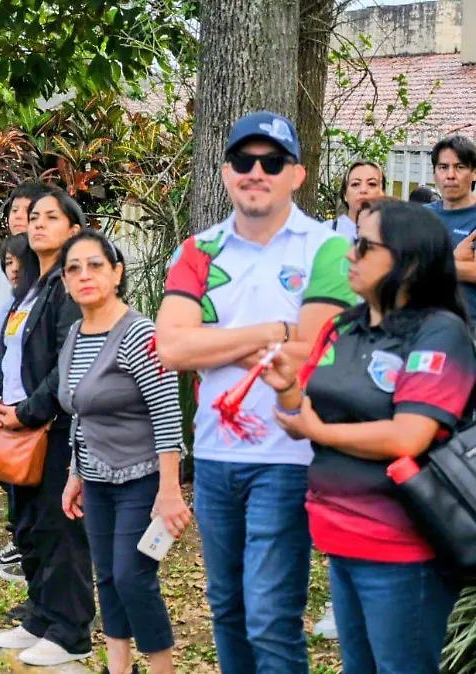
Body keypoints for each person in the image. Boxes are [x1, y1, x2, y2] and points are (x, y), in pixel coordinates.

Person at [155, 111, 355, 673]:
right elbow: (170, 348)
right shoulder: (198, 250)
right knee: (227, 609)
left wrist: (212, 341)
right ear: (225, 173)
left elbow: (315, 351)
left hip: (290, 455)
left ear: (296, 173)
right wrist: (273, 331)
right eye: (245, 160)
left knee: (270, 615)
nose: (257, 172)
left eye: (273, 161)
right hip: (215, 455)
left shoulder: (328, 249)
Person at [260, 199, 473, 674]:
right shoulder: (343, 327)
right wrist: (289, 391)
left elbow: (409, 435)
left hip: (404, 546)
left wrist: (317, 428)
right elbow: (307, 411)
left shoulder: (440, 334)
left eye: (364, 245)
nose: (350, 255)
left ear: (410, 261)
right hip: (340, 537)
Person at [56, 229, 188, 674]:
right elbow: (80, 412)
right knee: (107, 577)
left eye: (95, 265)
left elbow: (168, 413)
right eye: (74, 268)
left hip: (141, 477)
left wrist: (169, 490)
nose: (84, 275)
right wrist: (76, 473)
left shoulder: (138, 333)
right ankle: (118, 667)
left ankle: (161, 668)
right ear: (64, 281)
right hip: (95, 480)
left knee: (134, 578)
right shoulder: (75, 333)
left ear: (117, 273)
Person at [0, 185, 92, 666]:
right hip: (16, 424)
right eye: (33, 214)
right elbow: (9, 355)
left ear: (74, 229)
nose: (37, 221)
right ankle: (40, 617)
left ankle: (70, 630)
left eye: (51, 215)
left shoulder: (70, 284)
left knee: (58, 527)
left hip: (54, 426)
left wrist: (28, 410)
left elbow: (69, 362)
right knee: (26, 525)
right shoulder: (30, 286)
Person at [0, 181, 48, 577]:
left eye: (29, 212)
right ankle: (19, 541)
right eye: (16, 212)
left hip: (35, 404)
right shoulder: (10, 260)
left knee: (34, 478)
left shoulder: (53, 282)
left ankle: (28, 549)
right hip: (2, 389)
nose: (19, 218)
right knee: (10, 471)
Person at [426, 135, 476, 318]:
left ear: (474, 172)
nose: (450, 175)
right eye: (443, 167)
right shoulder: (421, 216)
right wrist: (455, 260)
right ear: (434, 174)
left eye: (460, 167)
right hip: (424, 325)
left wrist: (429, 266)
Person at [329, 161, 386, 242]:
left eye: (372, 184)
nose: (363, 190)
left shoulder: (395, 236)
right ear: (345, 193)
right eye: (355, 184)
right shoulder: (324, 232)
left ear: (382, 192)